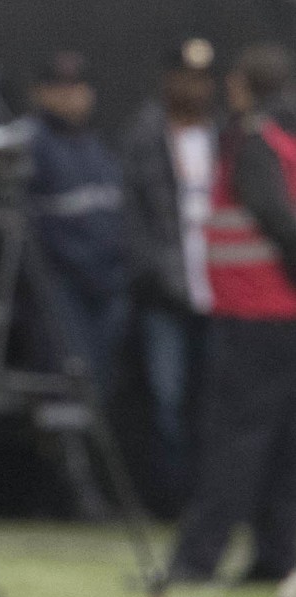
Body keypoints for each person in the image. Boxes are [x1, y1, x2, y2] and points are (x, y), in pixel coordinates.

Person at [166, 43, 296, 586]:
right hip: (280, 312)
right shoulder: (284, 137)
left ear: (243, 85)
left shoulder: (253, 139)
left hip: (255, 308)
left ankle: (199, 557)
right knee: (283, 442)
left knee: (235, 438)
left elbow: (274, 219)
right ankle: (278, 555)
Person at [121, 39, 217, 517]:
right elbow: (136, 218)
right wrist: (158, 277)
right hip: (167, 292)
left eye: (202, 78)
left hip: (221, 288)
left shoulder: (227, 139)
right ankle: (172, 501)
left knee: (213, 401)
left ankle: (211, 501)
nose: (193, 87)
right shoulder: (146, 135)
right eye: (185, 76)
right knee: (167, 399)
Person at [26, 50, 128, 403]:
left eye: (78, 86)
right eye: (60, 86)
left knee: (101, 385)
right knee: (69, 381)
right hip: (60, 286)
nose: (71, 95)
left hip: (108, 284)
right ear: (40, 92)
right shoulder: (32, 144)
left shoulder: (97, 146)